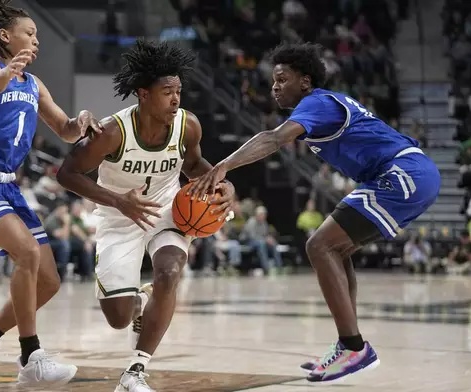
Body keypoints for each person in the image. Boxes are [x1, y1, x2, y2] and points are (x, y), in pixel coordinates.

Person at [189, 42, 441, 383]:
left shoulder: (317, 103)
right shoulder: (321, 104)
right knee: (337, 248)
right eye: (273, 81)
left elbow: (274, 138)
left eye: (282, 79)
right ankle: (349, 344)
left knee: (318, 245)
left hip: (403, 173)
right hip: (404, 174)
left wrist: (223, 165)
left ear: (305, 81)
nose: (275, 86)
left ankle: (354, 348)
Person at [56, 40, 235, 392]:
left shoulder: (187, 125)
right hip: (118, 218)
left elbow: (195, 164)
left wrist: (221, 183)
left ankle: (134, 373)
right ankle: (138, 302)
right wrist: (118, 201)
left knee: (169, 272)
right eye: (167, 91)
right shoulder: (112, 132)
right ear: (143, 93)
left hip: (167, 212)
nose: (175, 99)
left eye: (178, 91)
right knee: (118, 318)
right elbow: (67, 174)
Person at [0, 0, 102, 390]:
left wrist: (80, 124)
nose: (36, 41)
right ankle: (31, 356)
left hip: (8, 186)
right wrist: (6, 71)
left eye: (36, 35)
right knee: (28, 254)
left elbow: (64, 129)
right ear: (5, 36)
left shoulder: (34, 84)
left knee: (48, 281)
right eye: (29, 33)